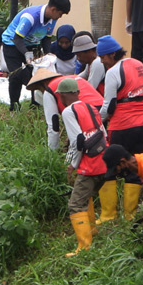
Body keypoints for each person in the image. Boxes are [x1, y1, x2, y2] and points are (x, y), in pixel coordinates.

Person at [99, 40, 143, 222]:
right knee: (135, 166)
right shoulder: (140, 65)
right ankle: (130, 216)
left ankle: (108, 215)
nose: (101, 61)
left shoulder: (113, 72)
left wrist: (97, 121)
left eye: (103, 57)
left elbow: (110, 105)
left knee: (109, 165)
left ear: (112, 55)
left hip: (122, 125)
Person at [56, 77, 110, 255]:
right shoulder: (90, 107)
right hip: (105, 158)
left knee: (76, 204)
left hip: (90, 163)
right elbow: (102, 132)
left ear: (63, 95)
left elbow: (77, 140)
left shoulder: (68, 111)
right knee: (86, 196)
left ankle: (84, 247)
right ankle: (92, 229)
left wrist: (71, 164)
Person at [2, 0, 71, 109]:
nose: (60, 17)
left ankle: (35, 104)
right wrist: (26, 54)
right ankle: (14, 105)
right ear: (53, 9)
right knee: (17, 74)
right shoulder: (30, 17)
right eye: (60, 14)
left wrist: (47, 55)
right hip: (12, 44)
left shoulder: (52, 19)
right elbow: (17, 38)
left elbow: (47, 38)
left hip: (32, 44)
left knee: (37, 73)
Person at [27, 66, 104, 151]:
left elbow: (53, 124)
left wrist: (52, 151)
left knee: (86, 147)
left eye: (40, 89)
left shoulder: (49, 89)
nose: (42, 92)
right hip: (102, 108)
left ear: (44, 83)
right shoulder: (74, 78)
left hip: (85, 112)